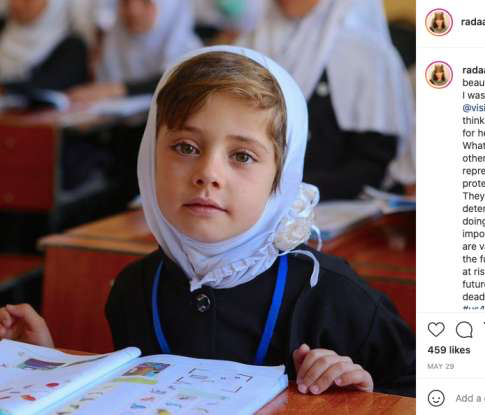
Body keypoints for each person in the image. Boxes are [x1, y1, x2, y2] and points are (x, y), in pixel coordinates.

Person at [0, 46, 415, 397]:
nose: (208, 174)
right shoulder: (132, 291)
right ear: (149, 157)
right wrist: (45, 363)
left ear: (282, 177)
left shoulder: (335, 297)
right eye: (186, 147)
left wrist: (364, 396)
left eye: (242, 156)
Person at [237, 0, 415, 200]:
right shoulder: (253, 40)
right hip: (252, 195)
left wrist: (284, 188)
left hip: (336, 205)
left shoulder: (367, 53)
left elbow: (372, 167)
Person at [67, 0, 201, 102]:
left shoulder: (195, 57)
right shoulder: (114, 42)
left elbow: (171, 82)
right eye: (125, 2)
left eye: (145, 2)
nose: (133, 11)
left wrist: (116, 90)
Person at [0, 0, 89, 93]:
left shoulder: (72, 48)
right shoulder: (3, 28)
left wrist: (6, 89)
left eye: (28, 1)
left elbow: (48, 85)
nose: (18, 4)